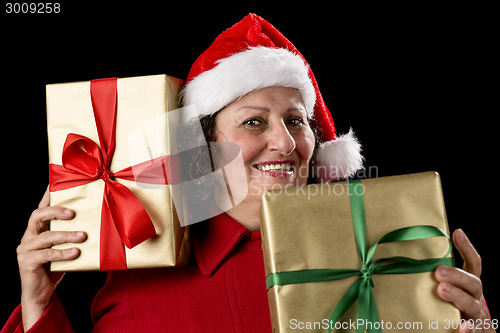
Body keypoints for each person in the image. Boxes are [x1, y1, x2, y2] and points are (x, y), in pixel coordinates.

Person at [3, 13, 493, 333]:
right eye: (253, 121)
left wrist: (476, 326)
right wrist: (38, 299)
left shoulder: (389, 255)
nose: (284, 141)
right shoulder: (138, 289)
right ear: (204, 146)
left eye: (296, 121)